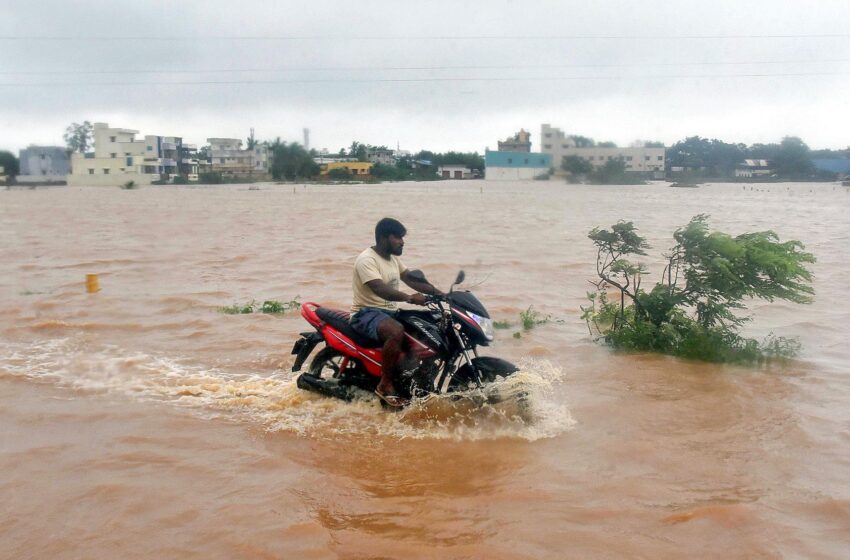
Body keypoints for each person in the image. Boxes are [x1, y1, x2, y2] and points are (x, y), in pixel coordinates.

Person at [350, 217, 439, 408]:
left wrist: (442, 294)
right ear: (383, 238)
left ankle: (418, 382)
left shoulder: (393, 260)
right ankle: (384, 384)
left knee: (429, 334)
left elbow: (411, 279)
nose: (402, 241)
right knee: (396, 331)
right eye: (397, 237)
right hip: (366, 313)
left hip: (390, 312)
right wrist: (408, 298)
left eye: (402, 237)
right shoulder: (367, 259)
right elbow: (380, 289)